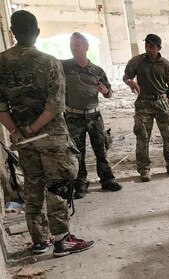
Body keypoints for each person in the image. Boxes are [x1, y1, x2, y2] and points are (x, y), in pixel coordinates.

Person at [0, 10, 95, 256]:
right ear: (37, 32)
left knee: (33, 186)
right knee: (57, 186)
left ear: (12, 32)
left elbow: (0, 106)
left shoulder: (1, 62)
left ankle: (39, 241)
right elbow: (55, 106)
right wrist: (33, 129)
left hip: (23, 138)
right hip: (50, 136)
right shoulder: (49, 62)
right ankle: (62, 240)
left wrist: (17, 131)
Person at [62, 32, 122, 199]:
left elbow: (109, 93)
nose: (73, 49)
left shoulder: (97, 70)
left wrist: (106, 91)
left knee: (101, 148)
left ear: (86, 48)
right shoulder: (63, 67)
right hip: (73, 116)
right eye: (72, 45)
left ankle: (107, 179)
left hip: (94, 116)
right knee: (77, 151)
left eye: (77, 46)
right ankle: (80, 184)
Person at [123, 33, 169, 182]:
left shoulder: (166, 65)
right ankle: (144, 168)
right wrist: (131, 82)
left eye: (151, 46)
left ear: (159, 48)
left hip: (162, 102)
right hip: (143, 102)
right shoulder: (137, 61)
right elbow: (126, 76)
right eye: (146, 46)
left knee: (168, 135)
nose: (148, 49)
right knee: (142, 135)